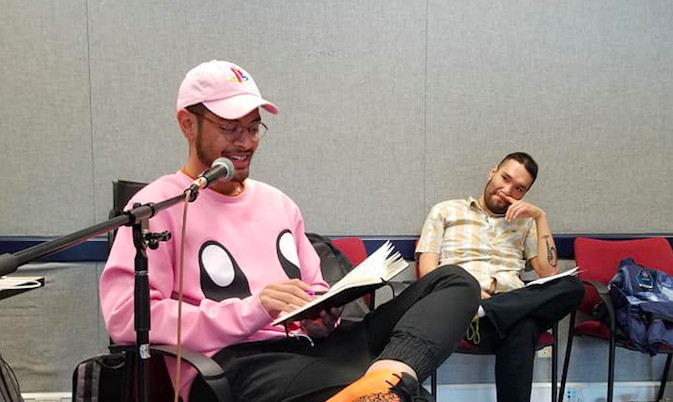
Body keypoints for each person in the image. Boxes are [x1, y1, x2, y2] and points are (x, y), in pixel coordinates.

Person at [100, 60, 481, 402]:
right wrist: (254, 309)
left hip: (315, 349)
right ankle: (389, 389)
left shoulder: (279, 203)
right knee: (410, 398)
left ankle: (387, 378)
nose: (246, 142)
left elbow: (314, 288)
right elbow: (126, 319)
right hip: (238, 363)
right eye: (231, 128)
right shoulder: (158, 206)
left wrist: (320, 317)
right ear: (187, 123)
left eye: (254, 128)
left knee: (453, 281)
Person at [416, 152, 585, 402]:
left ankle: (490, 309)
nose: (507, 190)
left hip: (505, 305)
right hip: (462, 310)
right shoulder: (445, 211)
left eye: (518, 188)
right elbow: (428, 272)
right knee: (524, 324)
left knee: (574, 287)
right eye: (505, 178)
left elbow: (549, 272)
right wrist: (468, 294)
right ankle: (486, 308)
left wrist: (540, 217)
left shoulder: (525, 223)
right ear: (492, 172)